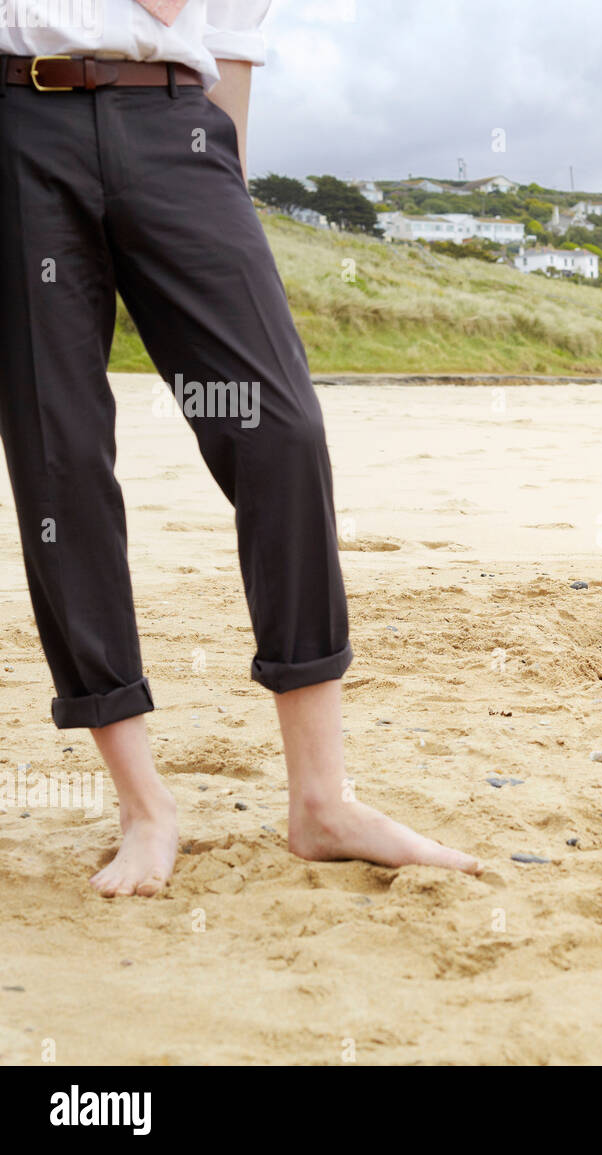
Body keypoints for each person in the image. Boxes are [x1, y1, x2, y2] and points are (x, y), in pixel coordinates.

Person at [0, 0, 482, 896]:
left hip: (180, 124)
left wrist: (223, 200)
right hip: (19, 119)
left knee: (281, 430)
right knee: (57, 457)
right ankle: (143, 805)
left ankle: (322, 801)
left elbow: (222, 34)